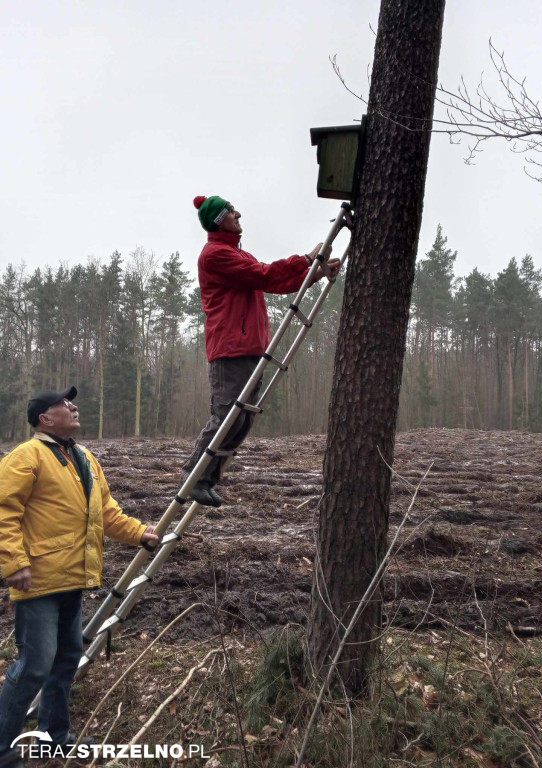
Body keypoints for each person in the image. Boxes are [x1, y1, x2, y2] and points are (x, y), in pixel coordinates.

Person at [0, 387, 159, 768]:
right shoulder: (26, 457)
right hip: (37, 581)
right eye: (63, 404)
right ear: (44, 418)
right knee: (35, 666)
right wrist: (13, 562)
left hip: (74, 579)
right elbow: (4, 512)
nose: (73, 408)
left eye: (72, 403)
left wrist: (139, 533)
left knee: (66, 660)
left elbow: (106, 513)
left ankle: (54, 740)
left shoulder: (85, 458)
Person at [181, 195, 341, 507]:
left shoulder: (238, 255)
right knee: (227, 416)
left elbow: (275, 283)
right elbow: (266, 274)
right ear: (218, 221)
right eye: (230, 212)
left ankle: (207, 479)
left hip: (251, 348)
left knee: (242, 420)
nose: (238, 214)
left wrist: (317, 272)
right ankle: (193, 477)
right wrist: (307, 259)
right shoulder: (216, 256)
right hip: (231, 350)